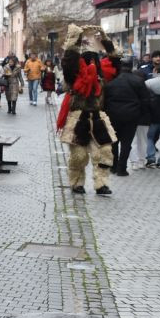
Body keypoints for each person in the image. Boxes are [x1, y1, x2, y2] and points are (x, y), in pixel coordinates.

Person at [58, 25, 118, 195]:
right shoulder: (74, 77)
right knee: (79, 155)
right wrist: (75, 39)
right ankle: (76, 182)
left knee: (105, 152)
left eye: (94, 60)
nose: (91, 63)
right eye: (87, 60)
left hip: (98, 117)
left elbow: (115, 61)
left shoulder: (102, 77)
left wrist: (105, 40)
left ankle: (101, 184)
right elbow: (68, 62)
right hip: (78, 117)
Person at [104, 59, 151, 176]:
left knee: (114, 142)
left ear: (120, 67)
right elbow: (146, 100)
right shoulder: (138, 81)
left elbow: (105, 101)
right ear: (131, 67)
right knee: (126, 143)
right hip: (131, 116)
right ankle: (122, 168)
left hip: (113, 116)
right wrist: (140, 114)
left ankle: (114, 166)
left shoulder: (112, 83)